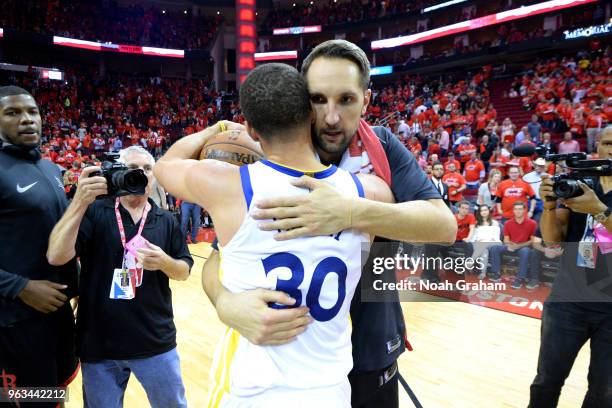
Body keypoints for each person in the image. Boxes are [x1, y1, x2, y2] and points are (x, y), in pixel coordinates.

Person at [200, 40, 456, 408]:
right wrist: (225, 303)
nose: (331, 117)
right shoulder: (274, 155)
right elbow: (216, 258)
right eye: (318, 100)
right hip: (289, 366)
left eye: (346, 100)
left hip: (369, 353)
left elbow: (443, 226)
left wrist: (349, 212)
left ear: (366, 101)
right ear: (302, 101)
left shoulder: (382, 147)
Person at [155, 63, 393, 406]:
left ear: (251, 128)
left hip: (255, 392)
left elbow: (164, 165)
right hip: (331, 390)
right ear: (311, 115)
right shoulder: (369, 192)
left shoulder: (228, 185)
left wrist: (215, 130)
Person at [47, 145, 193, 408]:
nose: (141, 174)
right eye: (133, 169)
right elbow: (57, 256)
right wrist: (80, 201)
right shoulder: (95, 212)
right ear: (117, 174)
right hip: (99, 345)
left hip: (155, 342)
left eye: (147, 169)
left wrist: (165, 262)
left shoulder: (166, 220)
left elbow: (184, 270)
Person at [0, 86, 78, 408]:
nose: (27, 120)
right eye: (12, 113)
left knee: (53, 396)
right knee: (25, 402)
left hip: (56, 315)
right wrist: (20, 287)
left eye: (32, 112)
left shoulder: (50, 168)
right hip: (15, 320)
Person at [529, 126, 612, 408]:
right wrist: (549, 206)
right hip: (568, 299)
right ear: (597, 146)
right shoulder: (579, 182)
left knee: (604, 394)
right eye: (607, 142)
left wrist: (598, 209)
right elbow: (553, 240)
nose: (611, 149)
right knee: (546, 381)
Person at [488, 201, 540, 288]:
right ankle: (496, 273)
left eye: (520, 209)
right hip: (511, 246)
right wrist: (510, 245)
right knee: (494, 248)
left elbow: (533, 240)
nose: (518, 211)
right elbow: (506, 239)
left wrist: (518, 246)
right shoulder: (508, 223)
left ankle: (520, 278)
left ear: (524, 210)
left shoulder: (532, 223)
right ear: (513, 211)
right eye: (516, 209)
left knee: (525, 251)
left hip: (524, 247)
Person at [467, 205, 502, 279]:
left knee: (483, 245)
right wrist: (477, 240)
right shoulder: (476, 223)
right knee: (484, 250)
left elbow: (495, 237)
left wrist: (484, 240)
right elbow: (473, 237)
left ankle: (471, 261)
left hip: (493, 243)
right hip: (479, 244)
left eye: (485, 210)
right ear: (479, 213)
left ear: (489, 211)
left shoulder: (494, 223)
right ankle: (483, 273)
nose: (484, 212)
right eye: (482, 210)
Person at [522, 157, 548, 224]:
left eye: (541, 166)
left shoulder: (549, 177)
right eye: (537, 165)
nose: (538, 167)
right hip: (528, 201)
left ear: (544, 167)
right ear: (534, 165)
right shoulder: (526, 177)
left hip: (541, 202)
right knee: (526, 222)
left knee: (538, 222)